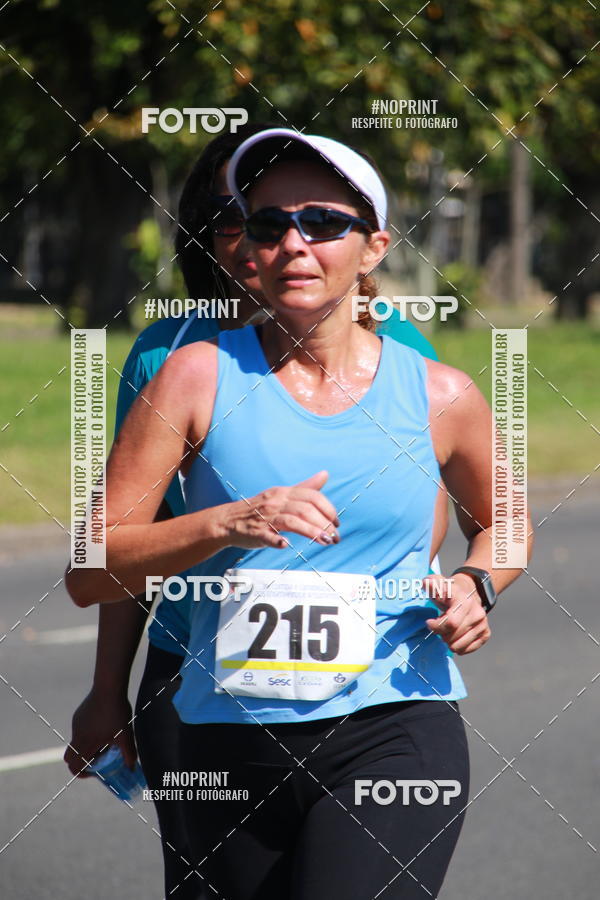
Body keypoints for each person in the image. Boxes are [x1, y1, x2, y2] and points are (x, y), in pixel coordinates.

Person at [64, 125, 447, 899]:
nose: (261, 243)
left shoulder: (403, 348)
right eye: (240, 222)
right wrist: (108, 688)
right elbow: (120, 545)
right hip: (194, 679)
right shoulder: (168, 356)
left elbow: (435, 509)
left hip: (373, 683)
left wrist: (459, 582)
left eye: (309, 222)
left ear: (365, 245)